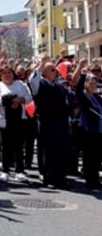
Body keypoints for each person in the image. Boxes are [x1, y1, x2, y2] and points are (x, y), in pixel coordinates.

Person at [29, 57, 71, 189]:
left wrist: (68, 122)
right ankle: (48, 176)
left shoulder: (59, 86)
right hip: (47, 122)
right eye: (52, 69)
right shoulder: (40, 84)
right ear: (45, 72)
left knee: (61, 150)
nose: (56, 71)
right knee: (48, 150)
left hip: (61, 123)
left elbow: (66, 104)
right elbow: (32, 80)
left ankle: (60, 177)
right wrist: (41, 65)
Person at [0, 63, 31, 184]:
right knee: (5, 146)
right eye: (4, 73)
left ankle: (19, 171)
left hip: (19, 118)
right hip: (5, 119)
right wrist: (11, 98)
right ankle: (5, 171)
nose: (7, 75)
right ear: (0, 75)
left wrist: (20, 100)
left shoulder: (20, 84)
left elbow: (28, 97)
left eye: (9, 73)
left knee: (19, 146)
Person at [73, 59, 102, 189]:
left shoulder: (96, 97)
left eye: (95, 83)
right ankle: (90, 181)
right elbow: (77, 90)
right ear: (86, 84)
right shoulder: (84, 97)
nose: (94, 85)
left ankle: (96, 179)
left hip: (98, 131)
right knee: (89, 157)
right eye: (91, 83)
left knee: (96, 158)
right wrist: (83, 73)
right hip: (88, 131)